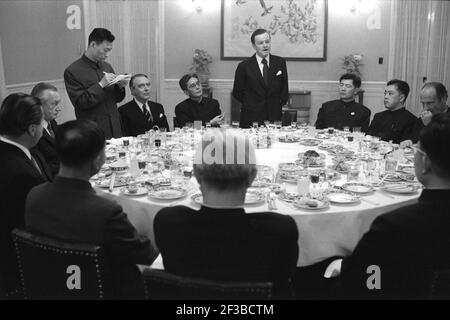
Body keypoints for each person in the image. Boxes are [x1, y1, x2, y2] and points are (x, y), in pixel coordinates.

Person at [154, 129, 299, 298]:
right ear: (252, 177)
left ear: (196, 174)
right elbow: (284, 279)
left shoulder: (168, 222)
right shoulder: (279, 230)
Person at [25, 120, 157, 298]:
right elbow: (146, 255)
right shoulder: (105, 212)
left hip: (51, 287)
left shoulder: (34, 196)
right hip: (105, 290)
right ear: (98, 160)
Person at [325, 112, 450, 299]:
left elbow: (364, 279)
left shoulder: (395, 225)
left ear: (425, 162)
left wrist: (343, 267)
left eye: (417, 150)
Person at [0, 93, 46, 298]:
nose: (45, 126)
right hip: (16, 266)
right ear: (32, 129)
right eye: (42, 121)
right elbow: (29, 227)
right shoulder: (20, 173)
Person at [64, 28, 127, 139]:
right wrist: (101, 85)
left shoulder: (107, 66)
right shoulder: (72, 71)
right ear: (93, 44)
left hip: (115, 126)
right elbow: (80, 103)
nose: (108, 54)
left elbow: (116, 99)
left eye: (110, 50)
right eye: (105, 50)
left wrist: (120, 86)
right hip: (92, 129)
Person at [232, 28, 289, 128]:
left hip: (274, 116)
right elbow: (237, 92)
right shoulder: (244, 66)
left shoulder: (280, 62)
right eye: (260, 43)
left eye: (267, 42)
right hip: (251, 117)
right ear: (254, 46)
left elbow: (284, 88)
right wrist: (251, 103)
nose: (265, 45)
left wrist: (277, 103)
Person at [366, 79, 417, 144]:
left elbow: (404, 146)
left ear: (401, 98)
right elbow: (367, 137)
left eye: (390, 94)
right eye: (385, 93)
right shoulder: (378, 116)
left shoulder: (411, 120)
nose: (386, 97)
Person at [401, 82, 449, 147]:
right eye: (423, 103)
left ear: (443, 99)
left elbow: (444, 146)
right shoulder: (422, 118)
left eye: (429, 103)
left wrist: (429, 125)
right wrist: (409, 141)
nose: (425, 108)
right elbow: (414, 138)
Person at [30, 82, 62, 178]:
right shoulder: (33, 131)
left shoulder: (52, 122)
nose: (59, 109)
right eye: (54, 104)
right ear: (38, 105)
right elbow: (42, 167)